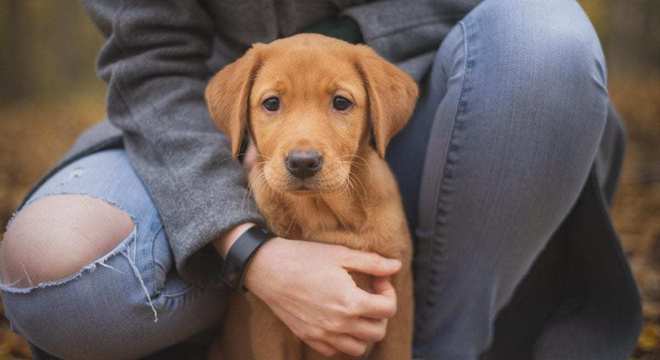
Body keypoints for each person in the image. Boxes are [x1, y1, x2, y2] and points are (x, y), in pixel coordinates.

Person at [0, 0, 642, 359]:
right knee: (54, 273)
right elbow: (147, 64)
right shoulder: (236, 105)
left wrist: (343, 58)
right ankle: (224, 327)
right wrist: (248, 251)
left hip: (435, 98)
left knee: (548, 35)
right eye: (278, 102)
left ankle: (449, 344)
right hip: (198, 134)